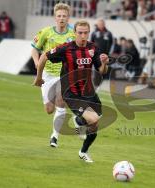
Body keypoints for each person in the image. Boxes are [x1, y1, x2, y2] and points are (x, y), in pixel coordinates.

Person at [33, 20, 109, 163]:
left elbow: (101, 71)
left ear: (89, 33)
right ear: (74, 33)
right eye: (80, 32)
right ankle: (80, 121)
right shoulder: (66, 48)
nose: (83, 35)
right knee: (93, 119)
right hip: (71, 93)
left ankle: (83, 150)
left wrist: (104, 63)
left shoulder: (93, 48)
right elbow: (44, 56)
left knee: (95, 123)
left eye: (86, 32)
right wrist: (38, 78)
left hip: (89, 92)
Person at [31, 3, 75, 147]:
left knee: (61, 102)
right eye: (59, 16)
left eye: (64, 16)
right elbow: (34, 49)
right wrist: (37, 62)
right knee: (49, 110)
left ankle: (54, 137)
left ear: (68, 18)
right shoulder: (45, 32)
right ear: (55, 17)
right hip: (47, 74)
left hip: (64, 73)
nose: (62, 18)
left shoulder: (73, 35)